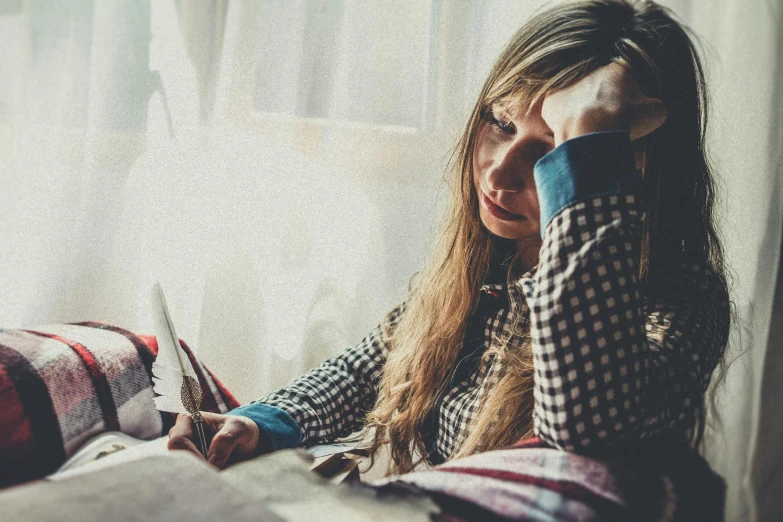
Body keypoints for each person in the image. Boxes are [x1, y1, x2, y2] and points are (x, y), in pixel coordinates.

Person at [168, 0, 731, 481]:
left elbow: (583, 428)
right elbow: (372, 365)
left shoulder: (683, 301)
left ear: (629, 170)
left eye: (553, 148)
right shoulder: (489, 266)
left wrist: (588, 142)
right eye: (501, 124)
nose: (498, 174)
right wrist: (261, 423)